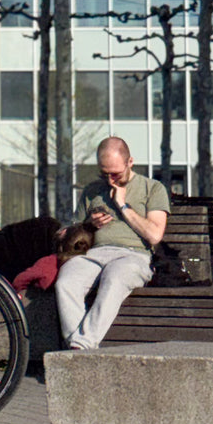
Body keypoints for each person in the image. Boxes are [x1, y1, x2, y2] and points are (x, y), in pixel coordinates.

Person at [55, 136, 169, 350]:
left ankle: (79, 348)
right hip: (95, 254)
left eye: (115, 174)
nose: (110, 181)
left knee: (114, 278)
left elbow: (154, 235)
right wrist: (88, 225)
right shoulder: (92, 191)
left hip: (133, 255)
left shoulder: (152, 188)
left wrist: (123, 205)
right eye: (104, 174)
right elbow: (66, 233)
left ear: (130, 162)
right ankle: (79, 350)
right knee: (66, 282)